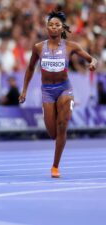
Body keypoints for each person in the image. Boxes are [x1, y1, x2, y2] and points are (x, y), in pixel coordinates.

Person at [19, 11, 97, 178]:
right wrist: (24, 89)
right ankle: (56, 146)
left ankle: (55, 166)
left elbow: (92, 59)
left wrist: (92, 63)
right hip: (47, 90)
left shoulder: (71, 46)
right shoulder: (38, 47)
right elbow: (31, 68)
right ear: (47, 28)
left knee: (62, 126)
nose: (53, 27)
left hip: (64, 89)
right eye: (51, 25)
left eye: (57, 25)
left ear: (62, 29)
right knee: (52, 133)